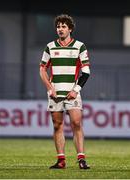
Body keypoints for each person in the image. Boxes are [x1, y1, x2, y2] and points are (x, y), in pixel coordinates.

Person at [39, 14, 90, 169]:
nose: (60, 29)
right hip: (55, 93)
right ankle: (61, 160)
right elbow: (42, 69)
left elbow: (86, 72)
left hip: (72, 92)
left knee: (76, 123)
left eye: (63, 27)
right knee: (57, 125)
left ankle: (81, 159)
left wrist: (76, 90)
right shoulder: (50, 46)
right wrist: (50, 87)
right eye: (58, 26)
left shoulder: (80, 46)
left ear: (70, 29)